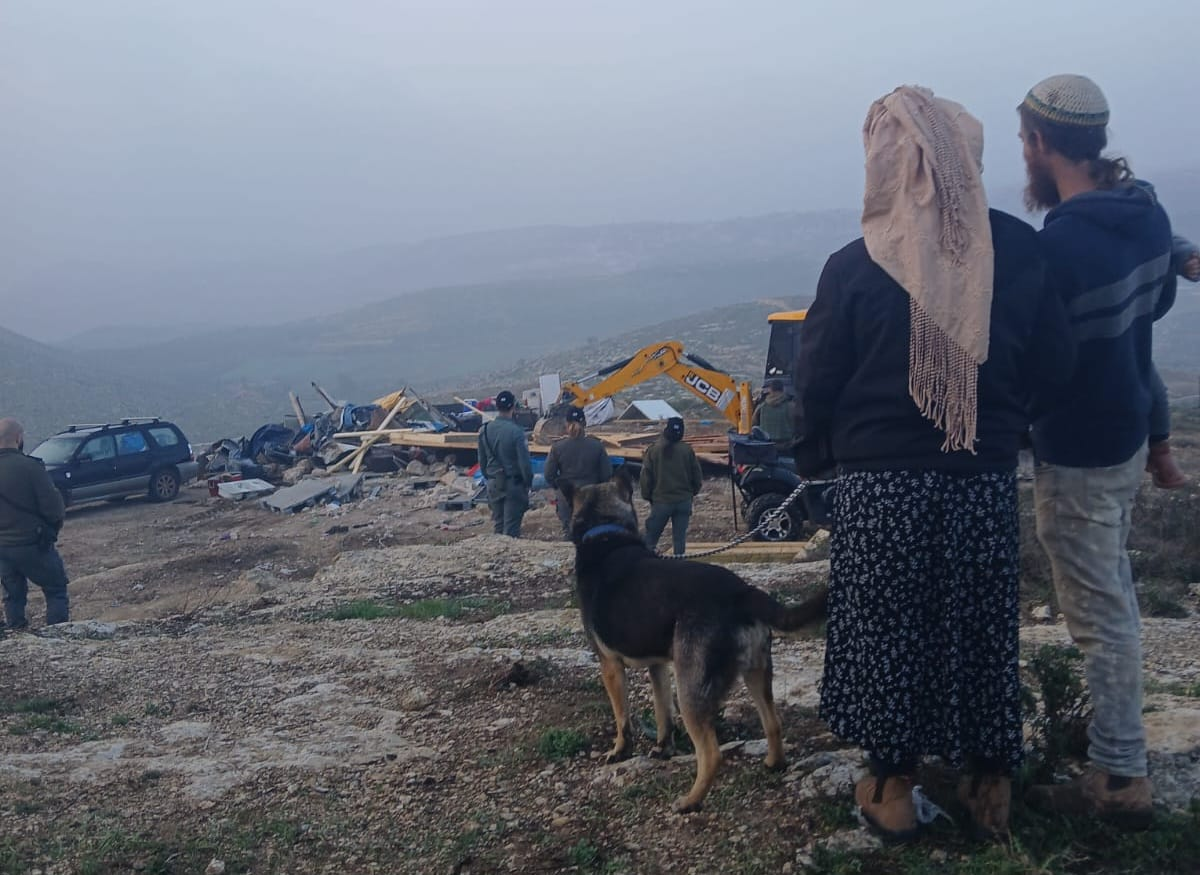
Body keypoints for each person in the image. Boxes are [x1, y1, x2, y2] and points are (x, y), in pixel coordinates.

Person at [795, 86, 1074, 842]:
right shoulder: (1019, 251)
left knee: (886, 634)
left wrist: (820, 459)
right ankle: (990, 792)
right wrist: (1001, 431)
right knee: (979, 634)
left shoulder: (855, 265)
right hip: (979, 479)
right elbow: (1056, 363)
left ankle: (889, 788)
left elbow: (815, 380)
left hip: (879, 482)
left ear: (891, 159)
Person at [1018, 74, 1176, 826]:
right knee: (1115, 599)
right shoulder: (1146, 213)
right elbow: (1143, 324)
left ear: (1042, 143)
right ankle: (1119, 759)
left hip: (1079, 450)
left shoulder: (1063, 243)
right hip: (1125, 437)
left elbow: (1046, 361)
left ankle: (1117, 778)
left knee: (1102, 615)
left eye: (1024, 140)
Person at [0, 418, 70, 632]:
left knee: (13, 596)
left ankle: (17, 636)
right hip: (33, 544)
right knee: (56, 589)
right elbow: (54, 508)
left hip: (2, 549)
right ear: (19, 438)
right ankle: (58, 637)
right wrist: (51, 531)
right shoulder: (30, 467)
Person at [1144, 236, 1200, 488]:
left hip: (1121, 314)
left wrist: (1185, 256)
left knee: (1143, 370)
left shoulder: (1139, 210)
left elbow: (1159, 233)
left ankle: (1160, 449)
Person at [543, 407, 613, 538]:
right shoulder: (597, 446)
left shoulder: (558, 447)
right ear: (585, 423)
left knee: (569, 533)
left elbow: (548, 474)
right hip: (591, 495)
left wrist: (559, 488)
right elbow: (606, 474)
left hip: (566, 497)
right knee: (592, 533)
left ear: (566, 424)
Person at [640, 417, 703, 556]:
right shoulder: (687, 450)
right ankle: (679, 569)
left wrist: (648, 496)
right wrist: (691, 493)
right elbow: (697, 477)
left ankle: (645, 566)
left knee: (650, 540)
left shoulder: (653, 450)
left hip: (662, 502)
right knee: (679, 540)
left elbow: (646, 479)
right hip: (683, 501)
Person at [477, 391, 533, 538]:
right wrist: (527, 483)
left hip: (494, 485)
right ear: (513, 407)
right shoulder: (516, 432)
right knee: (511, 530)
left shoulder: (485, 430)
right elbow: (525, 464)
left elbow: (482, 462)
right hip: (513, 485)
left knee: (498, 525)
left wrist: (491, 478)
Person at [751, 378, 795, 453]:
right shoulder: (791, 406)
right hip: (786, 447)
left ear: (770, 390)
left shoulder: (761, 407)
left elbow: (753, 424)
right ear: (783, 390)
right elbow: (798, 425)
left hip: (766, 447)